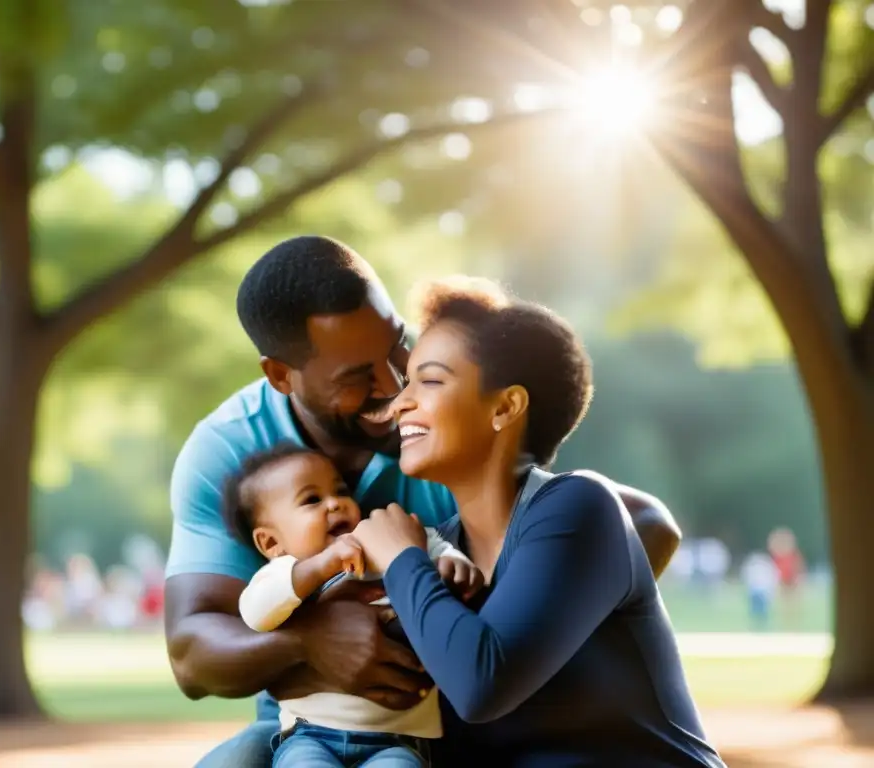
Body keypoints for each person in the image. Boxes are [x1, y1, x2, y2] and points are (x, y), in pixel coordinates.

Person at [164, 236, 683, 767]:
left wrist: (505, 617)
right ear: (280, 375)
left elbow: (626, 521)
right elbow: (191, 652)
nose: (393, 387)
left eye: (399, 347)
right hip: (314, 720)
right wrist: (310, 644)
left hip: (441, 726)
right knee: (245, 758)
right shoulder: (232, 449)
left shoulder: (463, 449)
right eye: (357, 374)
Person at [350, 278, 724, 766]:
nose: (400, 403)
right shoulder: (439, 550)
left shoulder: (578, 508)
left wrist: (401, 558)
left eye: (432, 381)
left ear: (505, 407)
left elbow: (482, 683)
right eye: (407, 383)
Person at [225, 444, 483, 767]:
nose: (335, 503)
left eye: (341, 491)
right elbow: (255, 612)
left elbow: (436, 547)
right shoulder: (285, 575)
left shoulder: (383, 540)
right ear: (271, 543)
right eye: (312, 500)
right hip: (310, 737)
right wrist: (321, 566)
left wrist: (453, 565)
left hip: (397, 741)